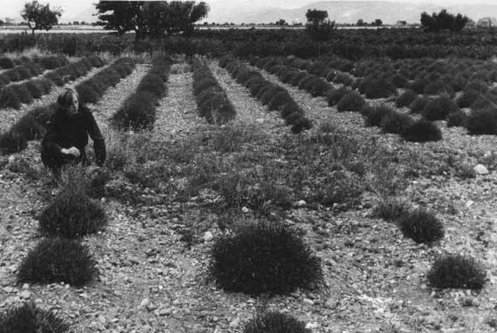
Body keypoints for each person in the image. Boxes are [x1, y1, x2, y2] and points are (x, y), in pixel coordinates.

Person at [41, 88, 106, 178]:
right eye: (70, 105)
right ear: (64, 107)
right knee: (46, 151)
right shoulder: (57, 117)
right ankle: (56, 174)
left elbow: (98, 138)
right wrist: (64, 151)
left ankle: (79, 166)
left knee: (88, 174)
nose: (75, 107)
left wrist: (98, 163)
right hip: (62, 151)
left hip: (78, 151)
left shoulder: (85, 113)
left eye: (76, 102)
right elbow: (47, 142)